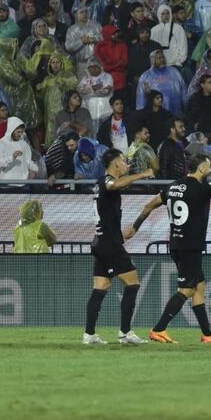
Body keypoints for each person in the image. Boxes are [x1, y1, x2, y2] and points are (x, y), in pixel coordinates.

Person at [126, 155, 211, 343]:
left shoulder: (173, 186)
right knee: (187, 289)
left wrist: (135, 227)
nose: (210, 170)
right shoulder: (200, 189)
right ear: (201, 169)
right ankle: (158, 329)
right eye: (208, 167)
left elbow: (149, 205)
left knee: (199, 286)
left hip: (177, 243)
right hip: (189, 246)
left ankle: (207, 334)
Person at [82, 148, 154, 345]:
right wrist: (142, 174)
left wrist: (121, 232)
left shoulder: (99, 184)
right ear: (115, 164)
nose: (126, 164)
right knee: (133, 283)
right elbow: (113, 185)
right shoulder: (106, 181)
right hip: (109, 244)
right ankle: (125, 333)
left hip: (102, 241)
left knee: (101, 287)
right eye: (123, 161)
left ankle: (89, 334)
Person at [135, 49, 186, 116]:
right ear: (153, 60)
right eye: (159, 58)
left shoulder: (174, 72)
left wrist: (186, 107)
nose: (162, 60)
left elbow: (184, 91)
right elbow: (141, 100)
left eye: (163, 57)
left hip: (175, 114)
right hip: (155, 117)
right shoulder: (146, 76)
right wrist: (140, 117)